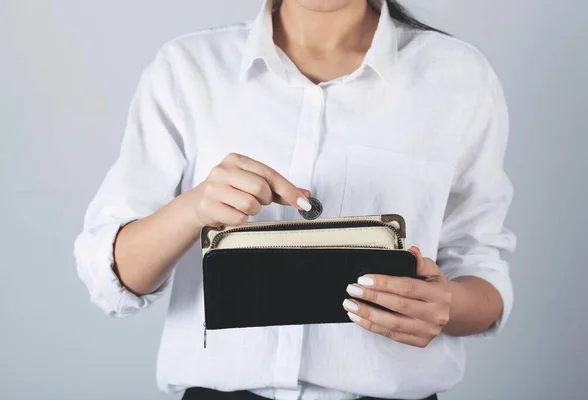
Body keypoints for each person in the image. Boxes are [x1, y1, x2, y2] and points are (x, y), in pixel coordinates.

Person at [74, 0, 516, 399]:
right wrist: (194, 207)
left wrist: (446, 307)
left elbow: (480, 266)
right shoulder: (188, 69)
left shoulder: (457, 76)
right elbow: (115, 279)